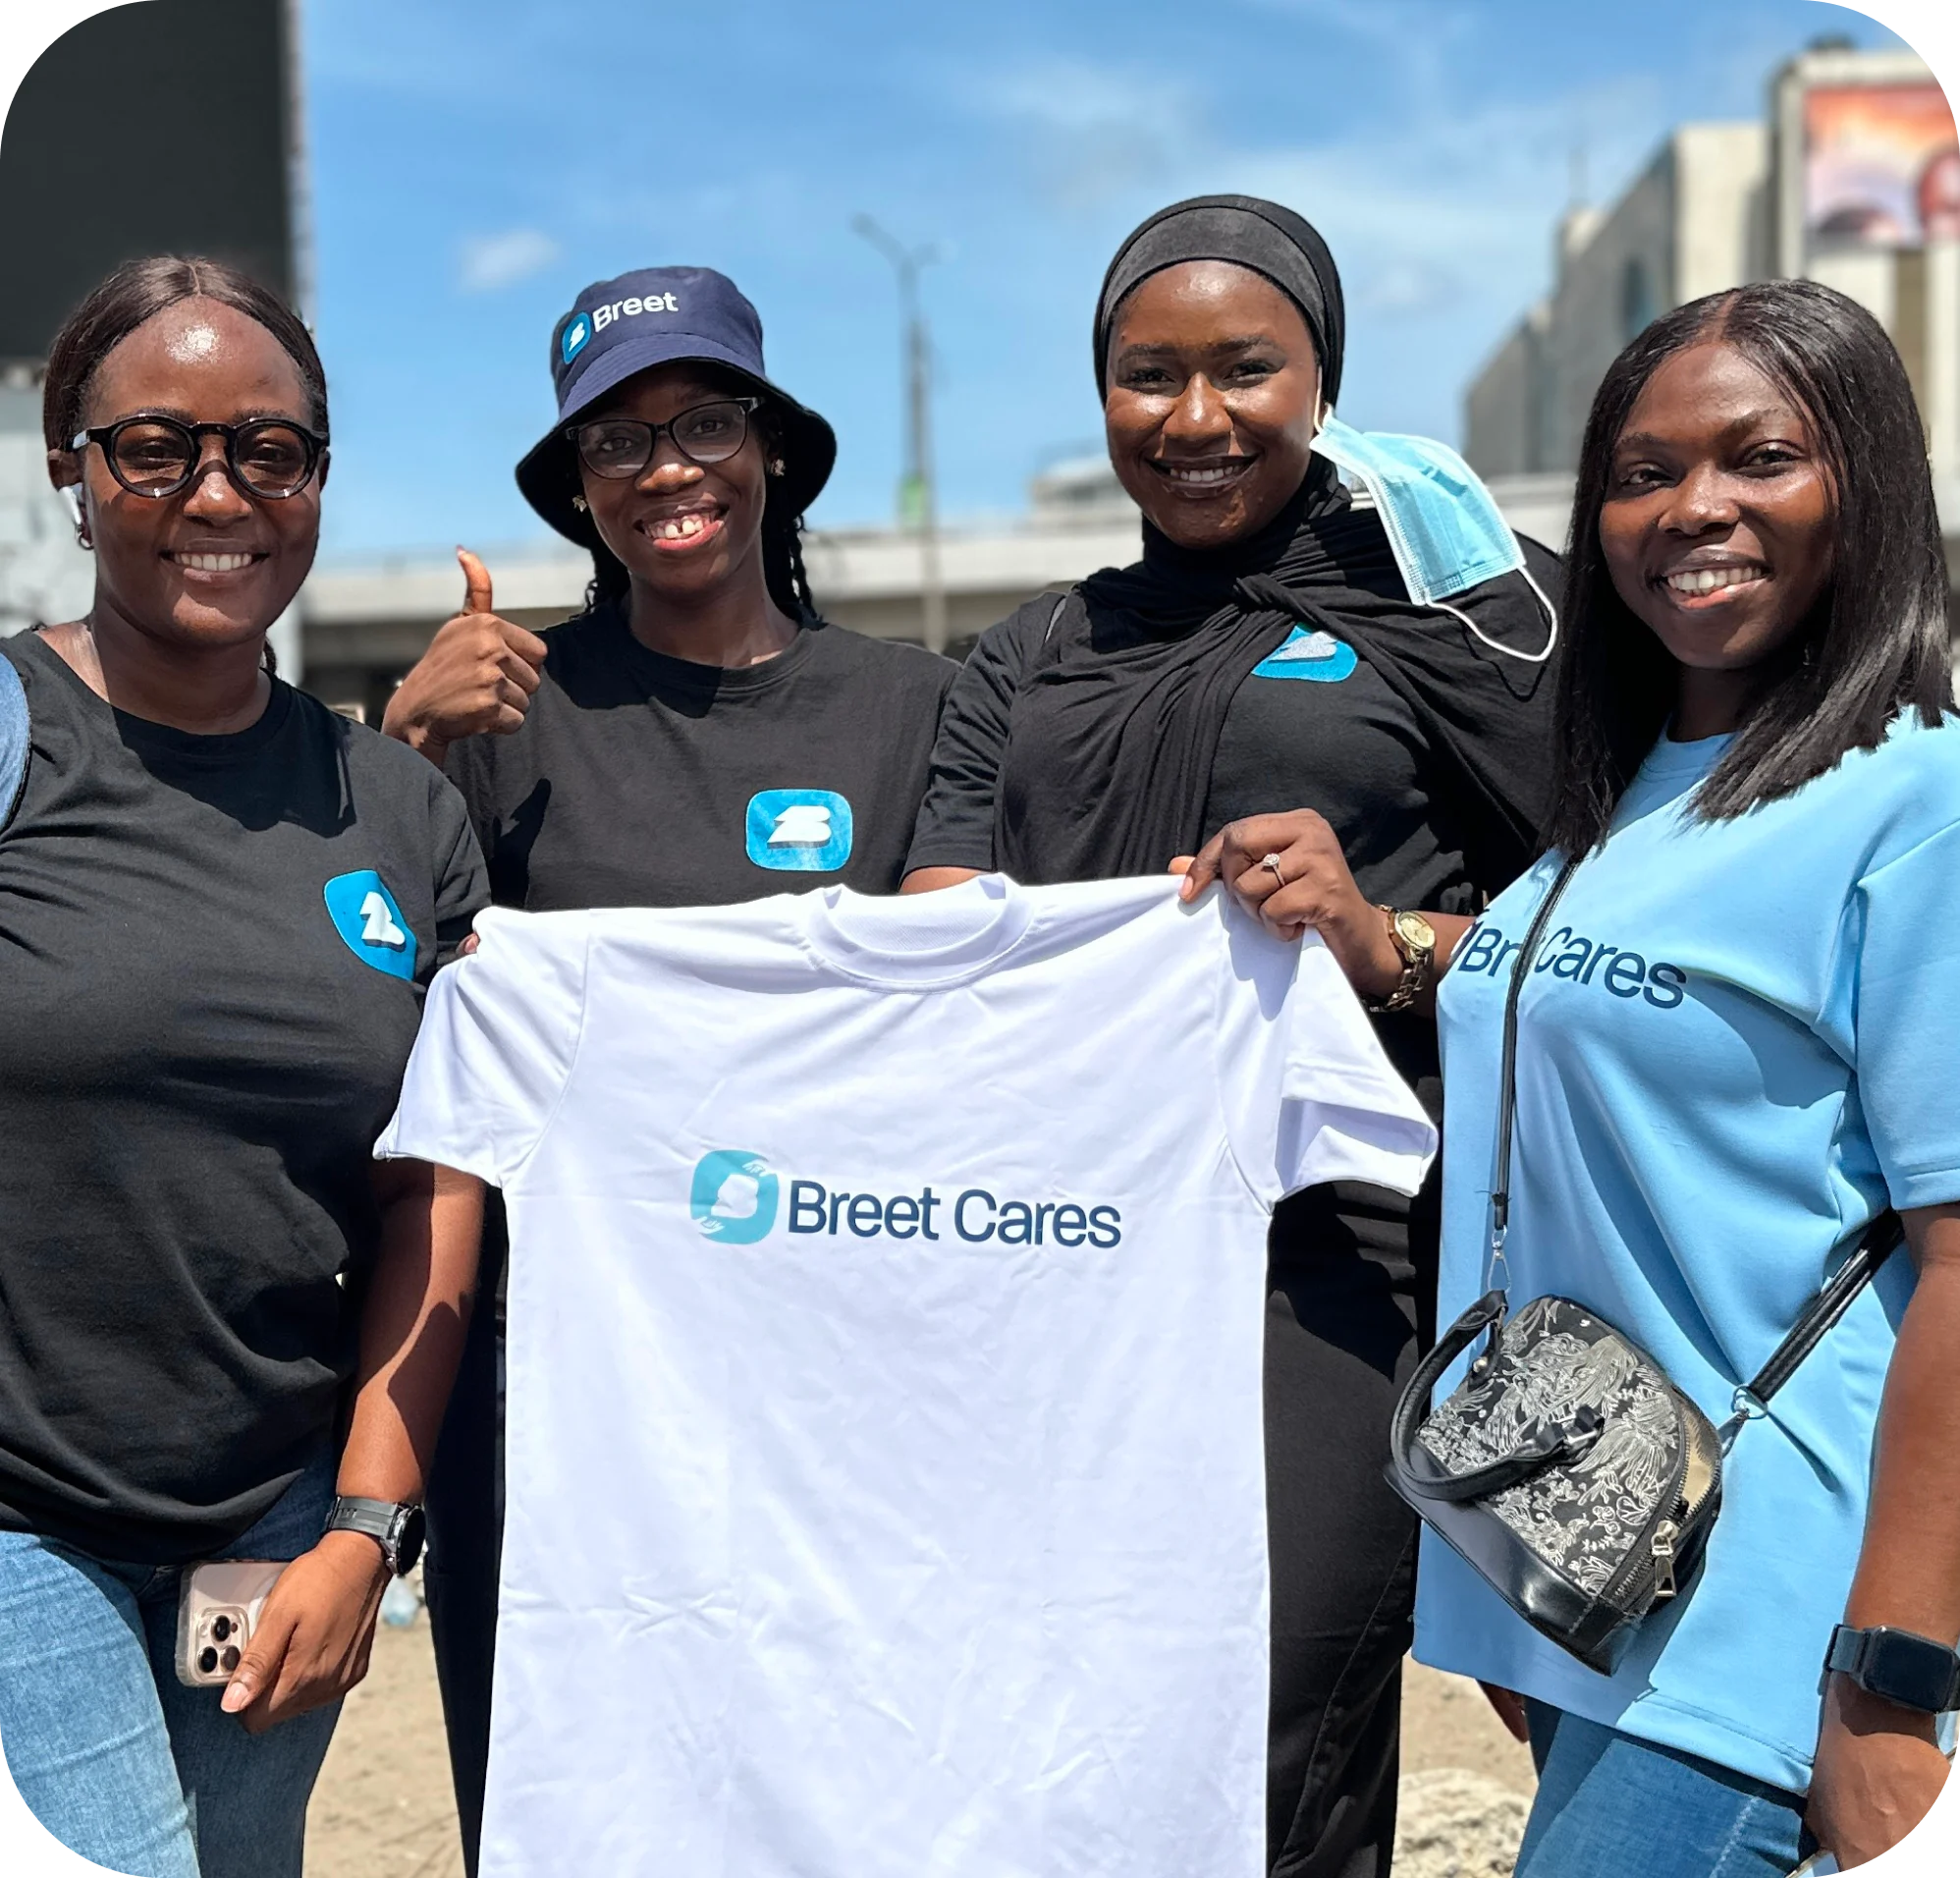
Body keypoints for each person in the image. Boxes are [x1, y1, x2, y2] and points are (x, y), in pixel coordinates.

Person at [1192, 278, 1959, 1875]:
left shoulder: (1917, 799)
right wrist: (1379, 935)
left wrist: (1893, 1687)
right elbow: (1608, 988)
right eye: (1642, 473)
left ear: (1868, 484)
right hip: (1595, 1561)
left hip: (1764, 1618)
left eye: (1761, 460)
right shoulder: (1650, 781)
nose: (1694, 512)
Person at [902, 195, 1559, 1877]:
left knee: (1271, 1723)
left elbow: (1616, 942)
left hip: (1345, 1270)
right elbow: (944, 932)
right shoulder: (1028, 657)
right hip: (1064, 1261)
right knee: (1066, 1727)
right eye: (1147, 375)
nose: (1195, 418)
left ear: (1320, 377)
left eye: (1244, 368)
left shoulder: (1473, 625)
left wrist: (1375, 937)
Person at [380, 265, 955, 1869]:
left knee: (852, 1783)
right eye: (616, 444)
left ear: (771, 448)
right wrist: (403, 751)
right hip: (566, 1385)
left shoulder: (918, 710)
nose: (667, 468)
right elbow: (361, 992)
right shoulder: (504, 712)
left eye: (705, 421)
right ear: (576, 490)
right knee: (565, 1792)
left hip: (842, 1374)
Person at [0, 257, 487, 1878]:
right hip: (23, 1511)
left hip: (279, 1517)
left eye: (267, 453)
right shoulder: (12, 729)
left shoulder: (400, 811)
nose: (216, 491)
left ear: (317, 484)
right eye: (156, 447)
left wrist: (365, 1524)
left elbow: (435, 1184)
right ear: (74, 472)